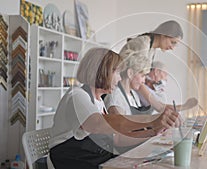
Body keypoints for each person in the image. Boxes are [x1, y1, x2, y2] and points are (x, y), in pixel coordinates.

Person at [48, 47, 180, 169]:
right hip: (70, 161)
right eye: (116, 71)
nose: (118, 78)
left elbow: (117, 140)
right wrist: (152, 120)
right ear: (100, 71)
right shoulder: (77, 95)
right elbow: (96, 124)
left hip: (94, 159)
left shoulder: (99, 102)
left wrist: (153, 132)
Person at [119, 20, 198, 112]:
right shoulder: (143, 44)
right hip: (123, 87)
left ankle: (170, 108)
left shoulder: (151, 48)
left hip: (130, 88)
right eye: (172, 42)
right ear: (163, 35)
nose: (172, 47)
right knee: (157, 104)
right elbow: (136, 77)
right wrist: (159, 107)